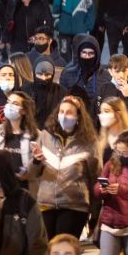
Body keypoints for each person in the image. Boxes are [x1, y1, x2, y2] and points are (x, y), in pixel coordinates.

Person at [29, 95, 100, 239]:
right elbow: (32, 173)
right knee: (49, 253)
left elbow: (95, 178)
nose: (64, 116)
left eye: (69, 112)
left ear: (79, 117)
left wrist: (95, 212)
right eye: (61, 112)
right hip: (46, 203)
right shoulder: (44, 136)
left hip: (74, 205)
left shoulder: (89, 142)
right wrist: (36, 161)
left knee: (64, 251)